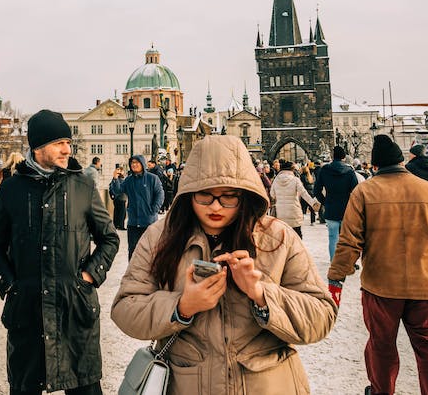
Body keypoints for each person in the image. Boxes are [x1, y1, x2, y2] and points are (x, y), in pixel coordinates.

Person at [111, 136, 336, 393]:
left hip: (268, 383)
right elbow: (125, 308)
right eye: (205, 196)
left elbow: (321, 316)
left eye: (229, 197)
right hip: (186, 382)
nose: (216, 206)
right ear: (188, 194)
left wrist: (262, 295)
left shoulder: (278, 237)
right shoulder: (159, 238)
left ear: (245, 195)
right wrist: (182, 307)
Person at [0, 109, 119, 394]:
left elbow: (109, 238)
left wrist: (90, 276)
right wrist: (10, 285)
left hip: (74, 309)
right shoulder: (11, 189)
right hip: (28, 309)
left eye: (68, 143)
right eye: (59, 142)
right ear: (38, 146)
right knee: (25, 384)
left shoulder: (83, 185)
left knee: (84, 385)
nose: (67, 149)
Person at [328, 135, 428, 395]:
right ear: (402, 161)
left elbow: (349, 241)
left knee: (381, 345)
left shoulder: (364, 192)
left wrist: (336, 278)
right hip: (423, 284)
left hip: (380, 287)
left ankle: (382, 391)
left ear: (374, 166)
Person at [110, 155, 164, 260]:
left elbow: (160, 194)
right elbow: (117, 191)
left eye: (137, 162)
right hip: (133, 223)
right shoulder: (129, 180)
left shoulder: (152, 178)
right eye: (132, 163)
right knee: (133, 251)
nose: (134, 165)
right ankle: (133, 274)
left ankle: (150, 274)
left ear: (142, 164)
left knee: (150, 251)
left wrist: (153, 210)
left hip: (149, 222)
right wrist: (115, 179)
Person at [313, 145, 360, 259]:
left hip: (331, 207)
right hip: (346, 208)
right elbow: (356, 191)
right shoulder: (349, 171)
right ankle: (347, 261)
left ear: (333, 156)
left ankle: (334, 261)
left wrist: (324, 201)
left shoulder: (325, 170)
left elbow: (316, 190)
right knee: (347, 238)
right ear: (344, 157)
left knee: (333, 238)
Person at [271, 160, 319, 238]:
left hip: (281, 213)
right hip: (294, 212)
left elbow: (272, 194)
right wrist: (313, 203)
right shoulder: (295, 180)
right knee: (297, 236)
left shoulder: (276, 180)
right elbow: (304, 194)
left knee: (284, 237)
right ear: (291, 170)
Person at [109, 164, 127, 230]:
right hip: (121, 198)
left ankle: (116, 225)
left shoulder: (115, 179)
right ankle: (120, 225)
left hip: (117, 198)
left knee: (117, 212)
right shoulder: (120, 179)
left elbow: (111, 187)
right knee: (122, 213)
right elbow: (118, 188)